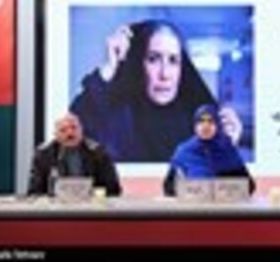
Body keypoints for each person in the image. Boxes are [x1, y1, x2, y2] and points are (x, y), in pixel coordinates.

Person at [70, 20, 243, 162]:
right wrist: (110, 66)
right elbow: (72, 131)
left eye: (173, 60)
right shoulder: (116, 120)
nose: (165, 74)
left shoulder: (198, 124)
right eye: (153, 59)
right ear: (138, 64)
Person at [163, 104, 255, 197]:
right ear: (195, 126)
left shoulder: (228, 150)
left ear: (218, 125)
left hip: (223, 205)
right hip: (194, 205)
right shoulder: (184, 152)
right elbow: (168, 188)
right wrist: (192, 190)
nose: (205, 126)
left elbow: (249, 187)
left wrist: (223, 190)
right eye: (200, 122)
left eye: (211, 122)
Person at [27, 113, 122, 196]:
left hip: (91, 207)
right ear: (55, 135)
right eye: (63, 130)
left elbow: (113, 188)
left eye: (74, 128)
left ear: (81, 130)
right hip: (54, 208)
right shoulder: (44, 154)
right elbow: (34, 191)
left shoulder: (97, 152)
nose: (70, 133)